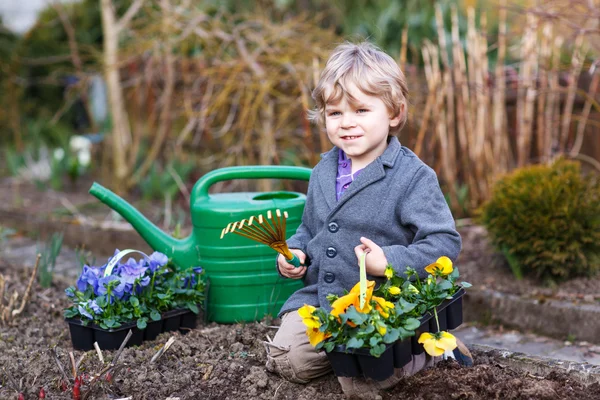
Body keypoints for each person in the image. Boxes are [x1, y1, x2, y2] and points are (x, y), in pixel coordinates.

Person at [264, 41, 471, 399]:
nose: (347, 123)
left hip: (382, 303)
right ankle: (373, 355)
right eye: (335, 113)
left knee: (363, 378)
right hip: (323, 300)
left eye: (361, 110)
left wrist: (387, 261)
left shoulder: (412, 177)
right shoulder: (322, 172)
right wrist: (296, 255)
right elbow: (309, 230)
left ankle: (429, 350)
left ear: (393, 113)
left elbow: (444, 244)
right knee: (288, 362)